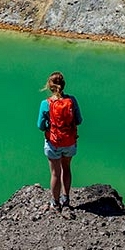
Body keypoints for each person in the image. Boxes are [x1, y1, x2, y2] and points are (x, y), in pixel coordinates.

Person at [37, 71, 82, 212]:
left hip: (53, 143)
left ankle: (55, 203)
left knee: (55, 173)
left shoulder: (46, 104)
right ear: (63, 85)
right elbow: (79, 120)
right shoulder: (72, 100)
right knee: (66, 169)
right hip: (69, 142)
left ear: (49, 86)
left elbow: (40, 126)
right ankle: (66, 199)